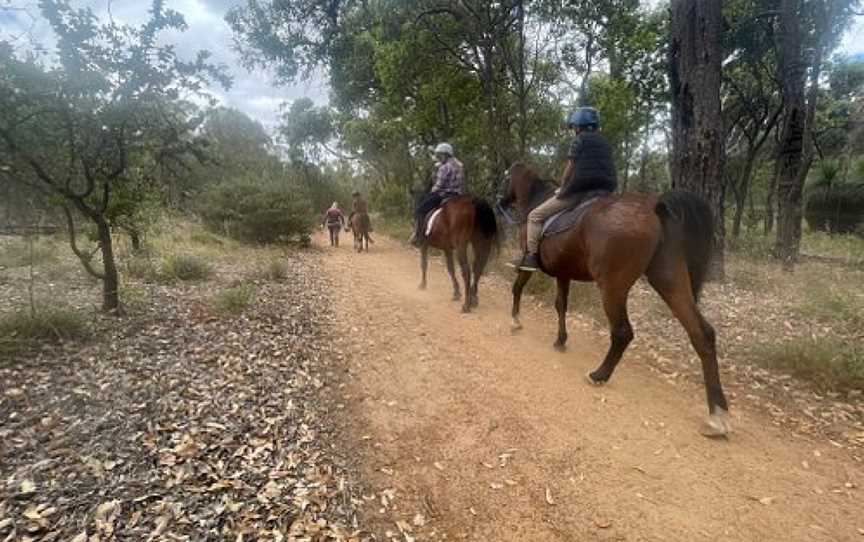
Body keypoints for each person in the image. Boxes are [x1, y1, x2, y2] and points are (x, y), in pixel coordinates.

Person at [512, 107, 617, 271]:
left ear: (579, 126)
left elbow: (570, 168)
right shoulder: (604, 142)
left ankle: (531, 256)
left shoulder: (579, 140)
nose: (574, 129)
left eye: (574, 126)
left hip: (579, 191)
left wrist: (563, 187)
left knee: (534, 216)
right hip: (605, 192)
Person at [410, 142, 465, 246]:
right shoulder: (460, 165)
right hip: (458, 196)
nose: (439, 158)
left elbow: (439, 185)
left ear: (445, 154)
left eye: (440, 155)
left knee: (419, 210)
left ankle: (418, 236)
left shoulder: (445, 167)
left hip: (444, 195)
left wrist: (431, 191)